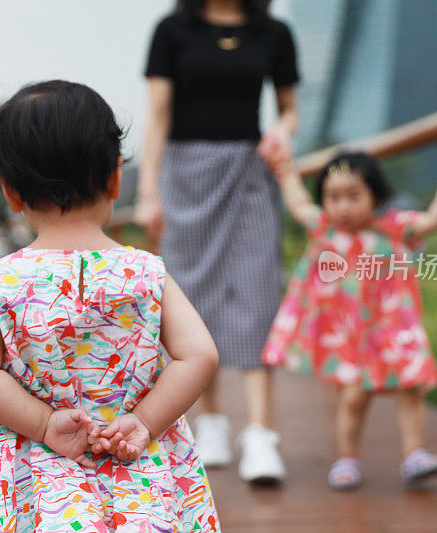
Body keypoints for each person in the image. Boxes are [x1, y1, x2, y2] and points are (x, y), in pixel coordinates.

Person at [0, 80, 222, 532]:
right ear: (116, 177)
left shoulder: (5, 278)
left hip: (45, 477)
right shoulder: (145, 271)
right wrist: (143, 421)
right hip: (143, 466)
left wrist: (43, 424)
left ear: (10, 191)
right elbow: (200, 355)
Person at [135, 0, 301, 484]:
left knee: (257, 289)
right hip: (186, 175)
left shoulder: (273, 32)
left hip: (249, 171)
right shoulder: (172, 31)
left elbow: (290, 110)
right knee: (193, 292)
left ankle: (260, 434)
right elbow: (158, 116)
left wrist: (281, 132)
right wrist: (148, 192)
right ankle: (209, 422)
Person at [260, 137, 437, 490]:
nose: (343, 206)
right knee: (354, 397)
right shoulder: (325, 228)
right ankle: (347, 459)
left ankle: (415, 454)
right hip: (353, 334)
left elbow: (434, 219)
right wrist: (284, 170)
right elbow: (298, 203)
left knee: (410, 389)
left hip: (393, 328)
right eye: (333, 197)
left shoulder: (391, 228)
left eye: (353, 195)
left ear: (375, 195)